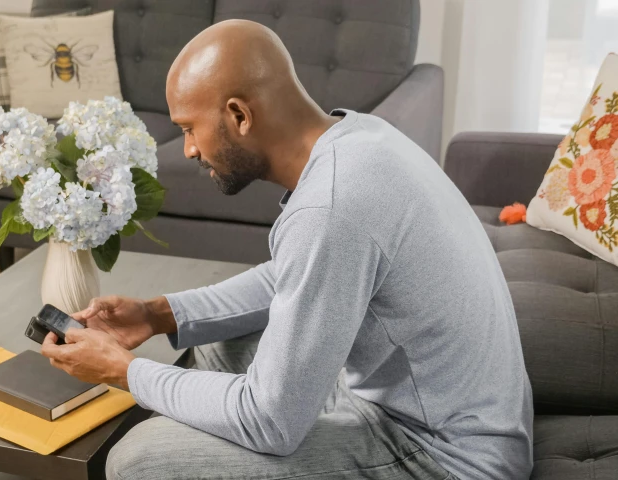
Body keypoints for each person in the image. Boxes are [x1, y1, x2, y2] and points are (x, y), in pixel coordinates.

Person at [40, 20, 534, 480]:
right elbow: (289, 278)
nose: (188, 148)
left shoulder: (332, 206)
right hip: (435, 403)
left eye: (190, 127)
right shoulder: (359, 137)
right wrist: (157, 314)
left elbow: (270, 422)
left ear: (239, 115)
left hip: (449, 454)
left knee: (135, 460)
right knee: (214, 345)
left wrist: (124, 371)